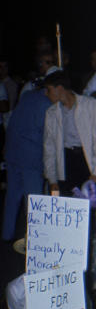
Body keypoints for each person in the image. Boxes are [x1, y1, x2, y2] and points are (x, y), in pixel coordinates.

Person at [41, 70, 96, 196]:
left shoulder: (89, 105)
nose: (46, 94)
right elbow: (49, 148)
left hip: (86, 160)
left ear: (59, 88)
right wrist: (52, 179)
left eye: (49, 90)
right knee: (68, 206)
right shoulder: (51, 113)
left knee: (92, 207)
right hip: (66, 161)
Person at [2, 88, 51, 240]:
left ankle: (7, 235)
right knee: (34, 201)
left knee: (12, 198)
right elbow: (46, 134)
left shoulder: (27, 96)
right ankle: (35, 241)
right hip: (31, 157)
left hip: (13, 153)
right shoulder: (46, 103)